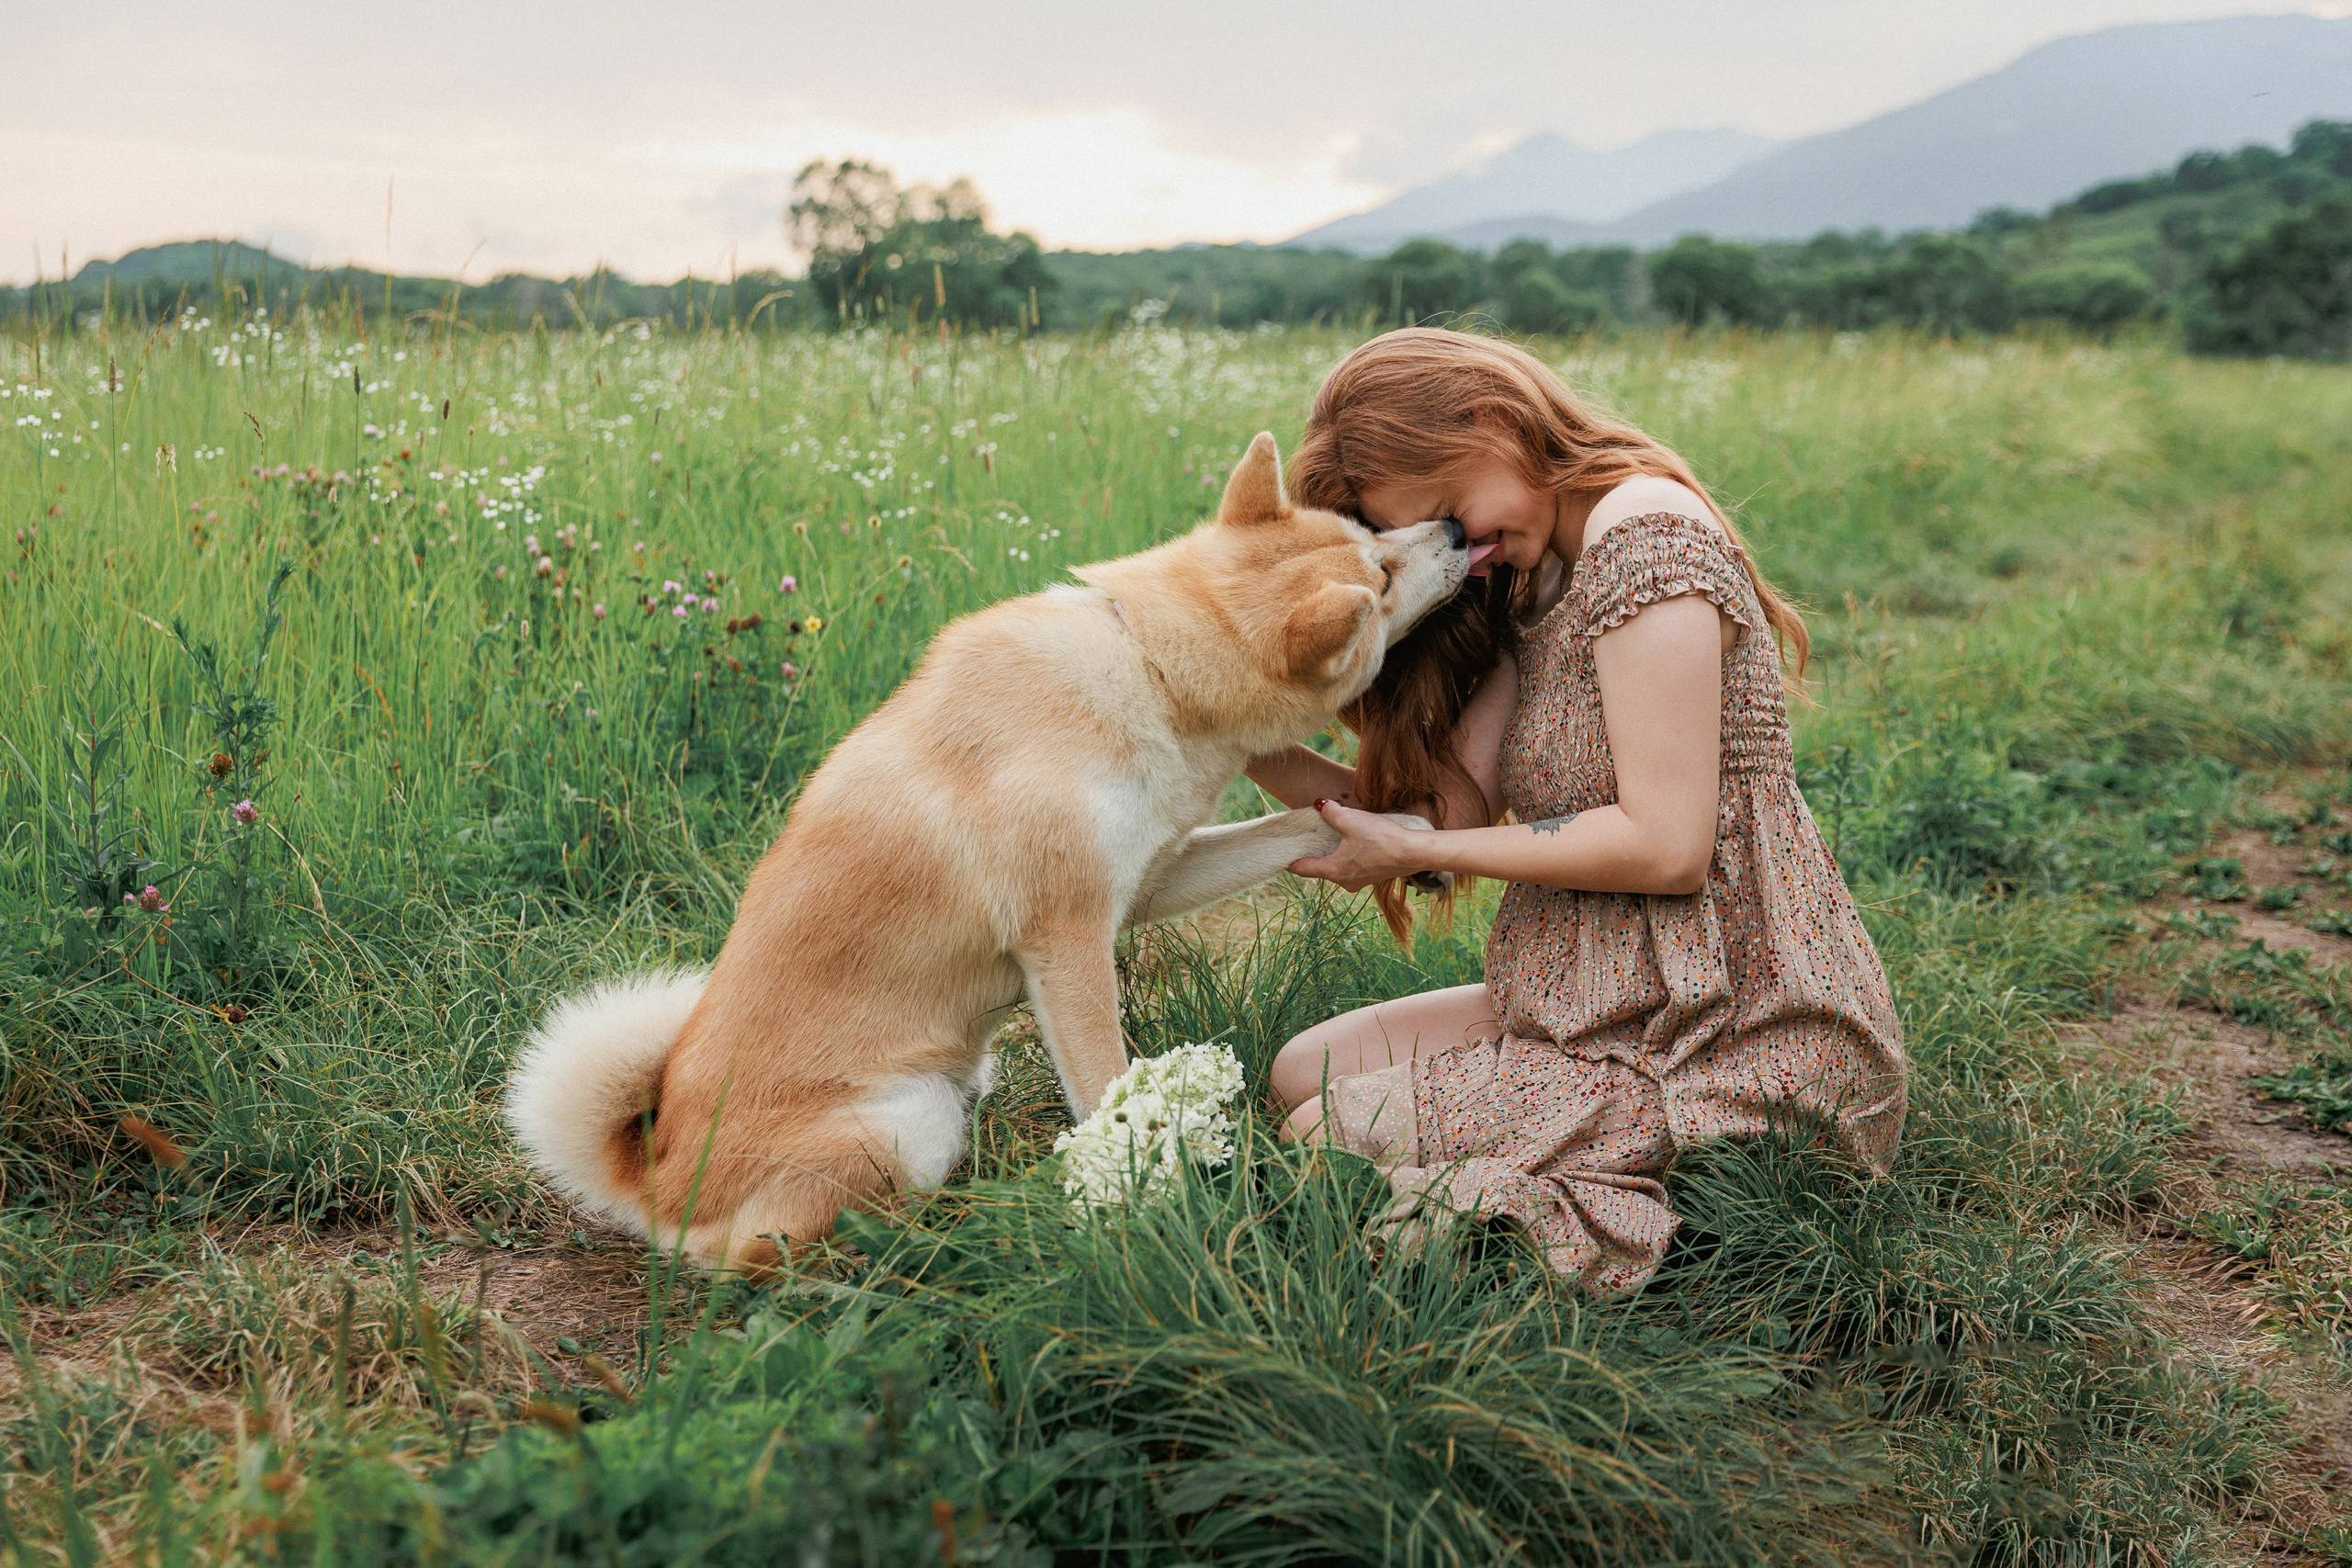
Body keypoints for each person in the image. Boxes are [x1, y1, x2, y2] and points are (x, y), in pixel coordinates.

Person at [1241, 329, 1905, 1295]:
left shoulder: (1645, 530)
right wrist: (1224, 719)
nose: (1459, 556)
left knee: (1321, 1131)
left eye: (1447, 520)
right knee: (1303, 1071)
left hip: (1736, 1021)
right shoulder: (1530, 581)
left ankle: (1656, 1198)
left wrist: (1411, 845)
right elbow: (1434, 819)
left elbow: (1665, 844)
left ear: (1491, 419)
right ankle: (1523, 1161)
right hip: (1598, 999)